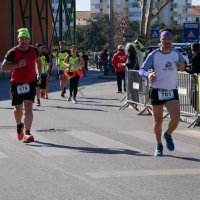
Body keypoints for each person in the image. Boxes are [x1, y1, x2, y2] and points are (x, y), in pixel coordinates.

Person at [138, 28, 186, 156]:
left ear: (172, 40)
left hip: (171, 90)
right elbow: (141, 70)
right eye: (164, 38)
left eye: (169, 38)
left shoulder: (176, 53)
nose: (167, 41)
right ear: (160, 40)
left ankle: (168, 134)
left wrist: (183, 66)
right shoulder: (153, 55)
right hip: (157, 90)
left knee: (176, 118)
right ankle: (159, 145)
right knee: (158, 121)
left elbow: (185, 64)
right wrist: (148, 75)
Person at [1, 28, 42, 143]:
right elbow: (3, 67)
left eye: (26, 39)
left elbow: (38, 61)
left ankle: (27, 133)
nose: (23, 41)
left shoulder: (34, 50)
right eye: (21, 39)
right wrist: (17, 65)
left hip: (30, 83)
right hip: (16, 83)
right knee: (18, 108)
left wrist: (39, 74)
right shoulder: (12, 52)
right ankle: (19, 125)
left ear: (29, 40)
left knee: (29, 108)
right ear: (18, 39)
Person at [185, 42, 200, 111]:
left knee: (193, 100)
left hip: (197, 83)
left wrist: (185, 69)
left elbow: (193, 71)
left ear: (192, 49)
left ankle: (199, 116)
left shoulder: (195, 58)